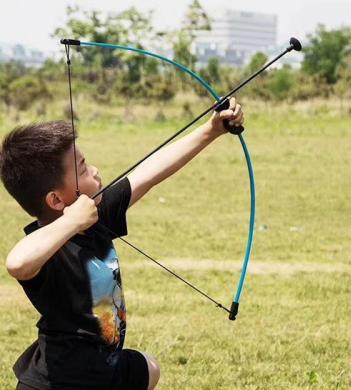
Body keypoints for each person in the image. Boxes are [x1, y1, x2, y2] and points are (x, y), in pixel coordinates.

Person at [0, 97, 244, 390]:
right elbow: (17, 263)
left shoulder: (95, 217)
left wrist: (211, 130)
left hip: (105, 368)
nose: (94, 171)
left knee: (148, 368)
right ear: (56, 200)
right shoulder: (48, 249)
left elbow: (150, 172)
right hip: (58, 381)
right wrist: (71, 222)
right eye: (81, 169)